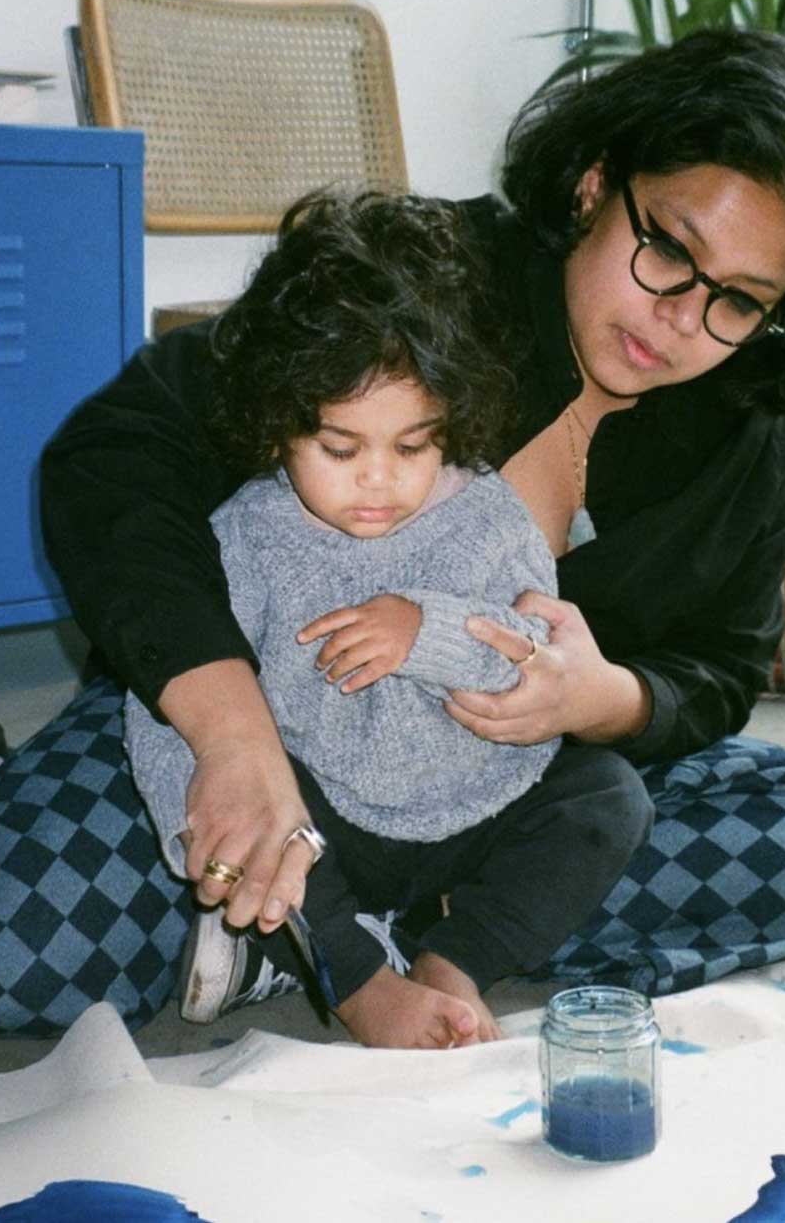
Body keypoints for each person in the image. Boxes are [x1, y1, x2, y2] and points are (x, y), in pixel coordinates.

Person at [0, 29, 785, 1041]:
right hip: (284, 728)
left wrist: (607, 698)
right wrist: (233, 740)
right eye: (671, 249)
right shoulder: (420, 279)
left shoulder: (752, 421)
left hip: (510, 793)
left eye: (738, 301)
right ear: (596, 183)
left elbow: (719, 669)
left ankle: (362, 935)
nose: (682, 317)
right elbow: (119, 451)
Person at [123, 191, 653, 1048]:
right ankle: (363, 981)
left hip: (479, 798)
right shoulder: (247, 534)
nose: (378, 479)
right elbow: (163, 709)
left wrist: (427, 630)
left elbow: (538, 658)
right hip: (329, 812)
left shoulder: (488, 512)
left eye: (413, 446)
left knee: (609, 797)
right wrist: (202, 822)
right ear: (277, 425)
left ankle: (454, 960)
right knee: (279, 830)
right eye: (340, 449)